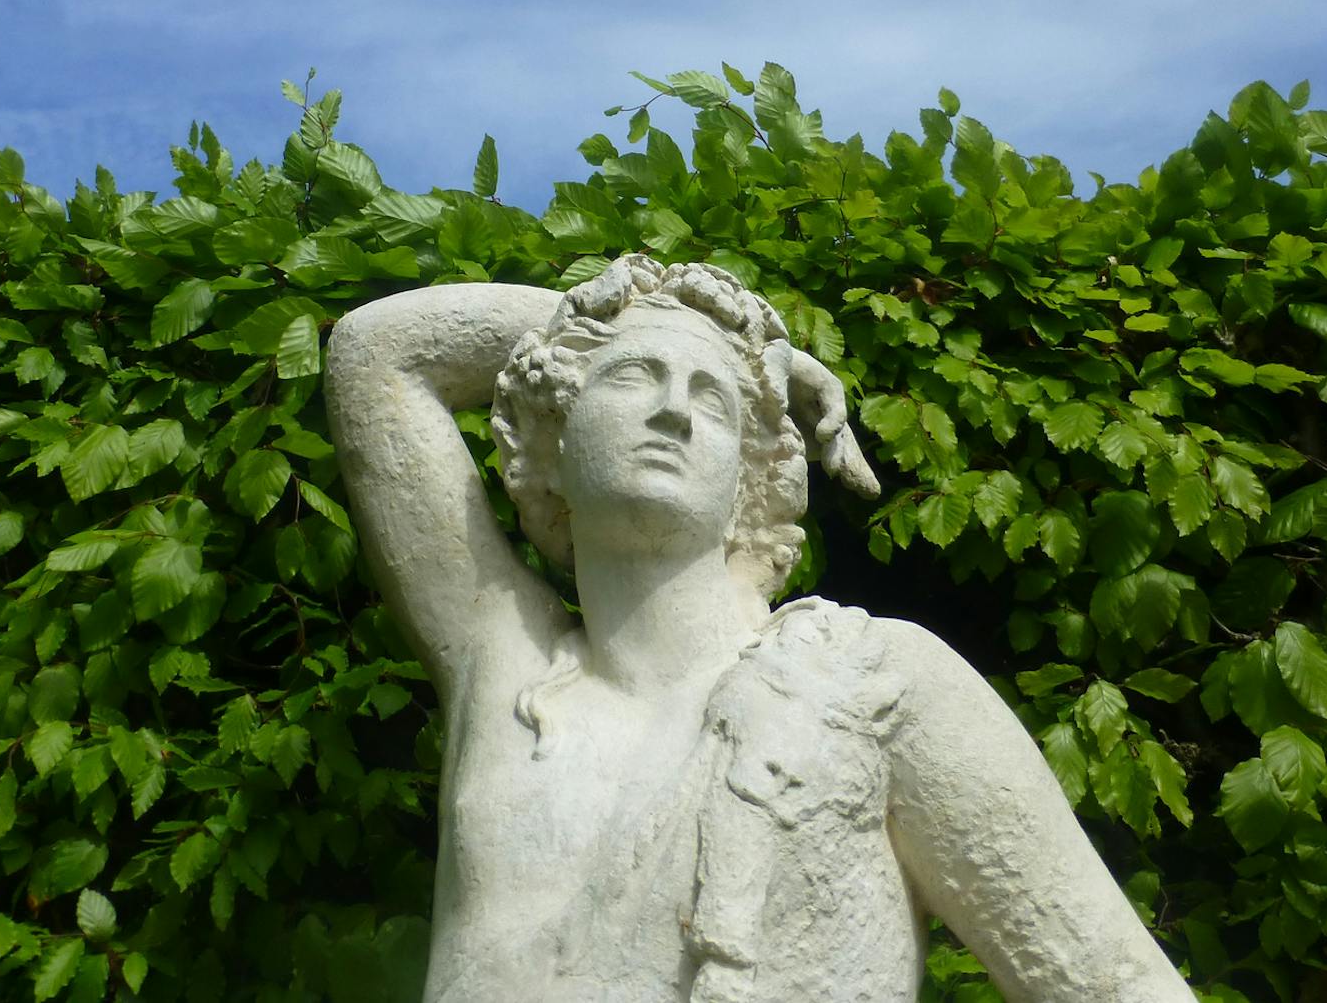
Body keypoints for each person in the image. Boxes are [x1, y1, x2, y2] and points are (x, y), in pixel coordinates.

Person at [325, 254, 1196, 1003]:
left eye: (712, 398)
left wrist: (730, 355)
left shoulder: (866, 683)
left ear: (750, 476)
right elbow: (377, 357)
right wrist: (637, 320)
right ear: (552, 431)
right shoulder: (505, 670)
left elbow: (1114, 985)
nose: (674, 411)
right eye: (633, 379)